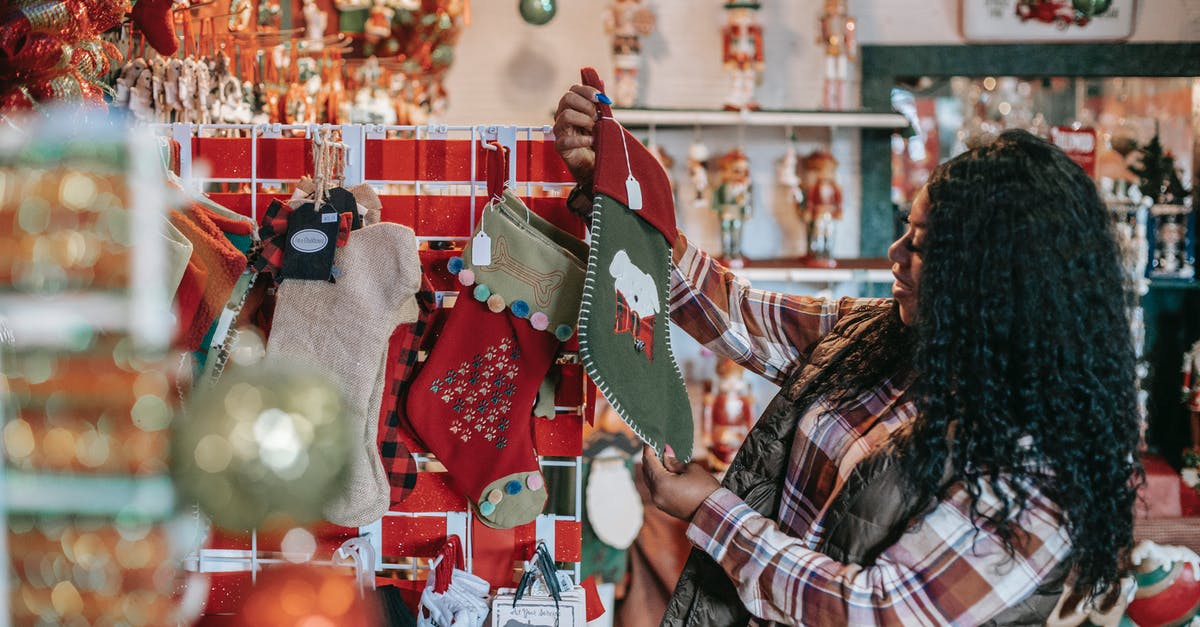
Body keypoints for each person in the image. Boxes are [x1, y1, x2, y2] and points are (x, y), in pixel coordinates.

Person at [554, 84, 1142, 625]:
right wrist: (616, 189)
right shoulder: (887, 339)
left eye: (924, 247)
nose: (895, 253)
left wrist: (711, 510)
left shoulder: (1037, 475)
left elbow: (875, 611)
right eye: (905, 230)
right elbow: (735, 312)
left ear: (1002, 279)